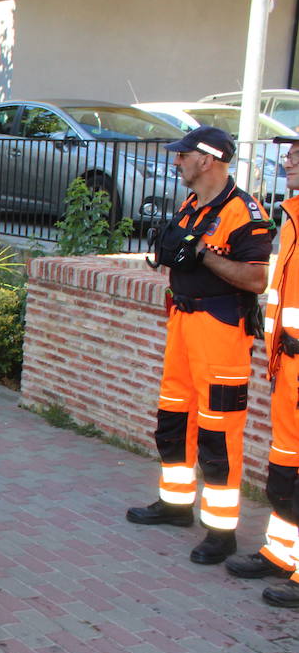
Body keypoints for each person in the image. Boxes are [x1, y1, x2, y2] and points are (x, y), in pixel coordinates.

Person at [126, 126, 271, 565]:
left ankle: (221, 532)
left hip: (222, 330)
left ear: (206, 160)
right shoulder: (192, 204)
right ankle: (175, 504)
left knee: (218, 434)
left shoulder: (244, 212)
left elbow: (257, 279)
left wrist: (205, 255)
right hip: (184, 323)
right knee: (173, 418)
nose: (176, 161)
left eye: (182, 155)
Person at [226, 134, 299, 604]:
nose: (289, 158)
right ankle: (283, 552)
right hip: (287, 365)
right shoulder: (293, 215)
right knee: (287, 468)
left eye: (298, 151)